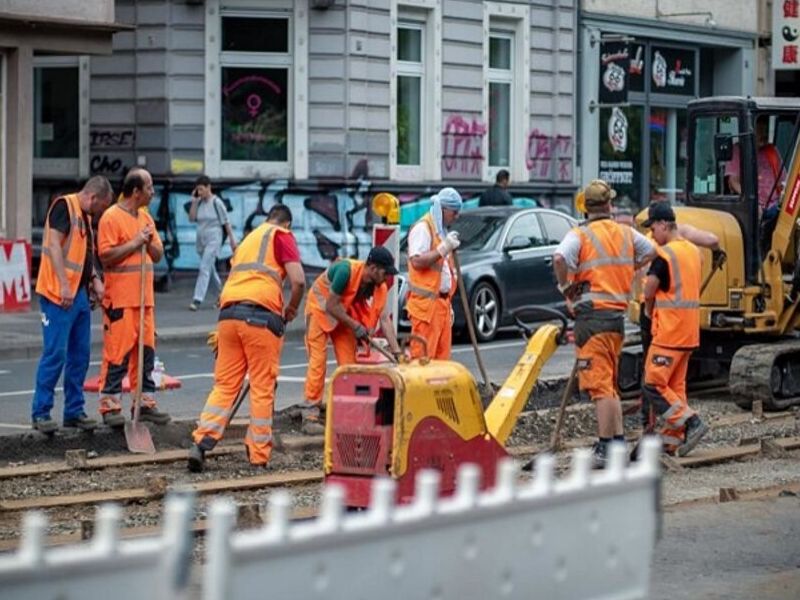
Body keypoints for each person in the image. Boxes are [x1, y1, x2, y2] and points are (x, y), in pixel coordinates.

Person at [188, 204, 305, 471]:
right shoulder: (281, 235)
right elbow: (298, 281)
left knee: (225, 385)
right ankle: (258, 455)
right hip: (261, 317)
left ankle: (200, 443)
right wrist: (292, 309)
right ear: (286, 223)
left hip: (228, 316)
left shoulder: (248, 240)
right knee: (262, 387)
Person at [553, 179, 656, 468]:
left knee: (599, 386)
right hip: (615, 319)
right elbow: (651, 252)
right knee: (609, 384)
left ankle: (605, 447)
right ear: (609, 205)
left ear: (585, 207)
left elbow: (559, 258)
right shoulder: (626, 233)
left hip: (592, 318)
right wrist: (627, 268)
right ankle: (618, 442)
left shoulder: (580, 235)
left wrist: (565, 289)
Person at [31, 176, 114, 433]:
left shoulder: (85, 218)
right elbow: (54, 245)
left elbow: (84, 256)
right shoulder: (64, 206)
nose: (99, 214)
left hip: (76, 295)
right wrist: (65, 285)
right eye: (100, 208)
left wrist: (95, 280)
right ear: (93, 197)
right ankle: (41, 412)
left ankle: (74, 411)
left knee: (80, 355)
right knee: (55, 353)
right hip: (58, 294)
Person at [97, 169, 171, 427]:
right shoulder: (111, 218)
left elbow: (158, 254)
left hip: (144, 300)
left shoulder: (146, 217)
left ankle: (145, 403)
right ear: (136, 191)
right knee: (117, 354)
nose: (153, 192)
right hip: (120, 300)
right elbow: (106, 256)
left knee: (146, 354)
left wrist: (148, 242)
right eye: (149, 187)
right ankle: (110, 406)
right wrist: (135, 241)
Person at [301, 247, 403, 434]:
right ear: (372, 268)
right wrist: (355, 326)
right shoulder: (344, 271)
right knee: (318, 362)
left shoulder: (379, 287)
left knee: (349, 366)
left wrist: (397, 352)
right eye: (385, 272)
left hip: (342, 315)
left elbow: (385, 320)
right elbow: (331, 305)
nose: (387, 277)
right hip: (319, 310)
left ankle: (348, 411)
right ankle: (310, 413)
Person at [641, 202, 708, 456]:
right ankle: (673, 439)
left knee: (653, 384)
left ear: (663, 224)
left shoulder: (665, 256)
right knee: (675, 387)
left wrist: (648, 311)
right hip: (689, 331)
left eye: (653, 227)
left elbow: (649, 289)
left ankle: (692, 421)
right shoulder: (694, 252)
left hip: (669, 332)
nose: (652, 234)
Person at [406, 187, 462, 360]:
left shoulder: (440, 231)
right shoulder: (423, 229)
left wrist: (447, 302)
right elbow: (417, 261)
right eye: (454, 212)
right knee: (423, 361)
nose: (457, 216)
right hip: (426, 310)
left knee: (441, 362)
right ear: (443, 209)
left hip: (441, 307)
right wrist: (443, 248)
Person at [188, 175, 237, 311]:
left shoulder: (217, 203)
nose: (200, 192)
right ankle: (222, 295)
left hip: (214, 238)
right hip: (201, 238)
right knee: (210, 269)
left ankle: (197, 299)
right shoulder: (200, 203)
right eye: (198, 190)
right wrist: (194, 202)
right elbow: (192, 219)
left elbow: (226, 222)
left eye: (202, 189)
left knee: (204, 267)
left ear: (209, 187)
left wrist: (232, 241)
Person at [725, 117, 785, 212]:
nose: (764, 134)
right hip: (751, 207)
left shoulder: (771, 151)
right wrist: (752, 203)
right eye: (760, 130)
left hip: (775, 205)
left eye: (765, 130)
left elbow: (782, 181)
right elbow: (733, 181)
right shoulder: (738, 151)